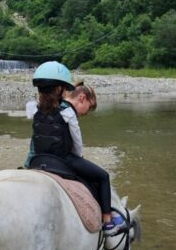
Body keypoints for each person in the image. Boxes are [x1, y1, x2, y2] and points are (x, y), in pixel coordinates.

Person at [24, 61, 117, 230]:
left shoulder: (33, 109)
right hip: (62, 160)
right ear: (60, 89)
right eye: (88, 108)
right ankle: (107, 218)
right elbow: (77, 145)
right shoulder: (67, 112)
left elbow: (35, 138)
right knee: (103, 176)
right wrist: (78, 158)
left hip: (37, 160)